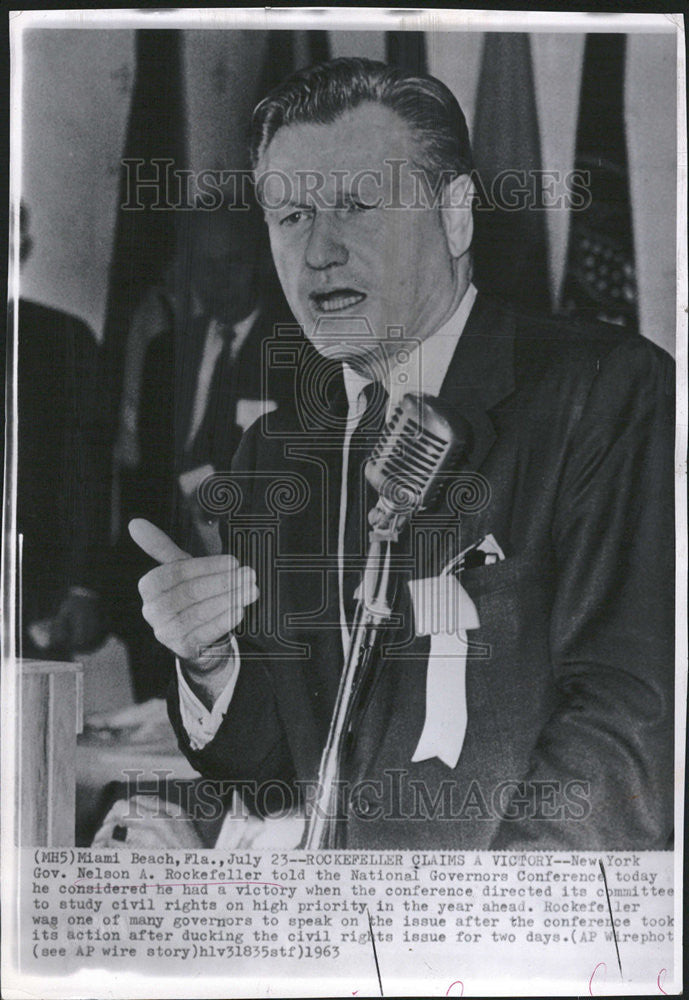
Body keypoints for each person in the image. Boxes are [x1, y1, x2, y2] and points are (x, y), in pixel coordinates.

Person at [130, 58, 674, 850]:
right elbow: (276, 774)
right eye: (288, 217)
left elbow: (626, 719)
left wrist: (470, 937)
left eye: (356, 205)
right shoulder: (271, 459)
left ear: (455, 216)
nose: (318, 252)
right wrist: (212, 662)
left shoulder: (602, 392)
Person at [110, 203, 294, 701]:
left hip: (253, 585)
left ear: (260, 260)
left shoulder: (296, 349)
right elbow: (146, 473)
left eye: (232, 262)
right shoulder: (166, 350)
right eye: (203, 263)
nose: (216, 279)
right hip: (168, 576)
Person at [4, 204, 108, 659]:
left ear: (20, 250)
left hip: (36, 599)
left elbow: (91, 475)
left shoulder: (64, 339)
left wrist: (84, 587)